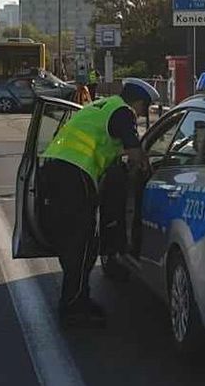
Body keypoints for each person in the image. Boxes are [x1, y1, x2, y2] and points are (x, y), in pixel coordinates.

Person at [37, 78, 157, 327]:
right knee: (82, 243)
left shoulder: (103, 106)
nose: (145, 112)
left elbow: (110, 146)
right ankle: (73, 308)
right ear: (139, 102)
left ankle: (79, 299)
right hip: (74, 174)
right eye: (146, 107)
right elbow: (133, 151)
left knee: (78, 242)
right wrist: (144, 168)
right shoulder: (123, 113)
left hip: (54, 170)